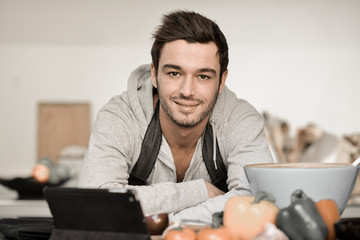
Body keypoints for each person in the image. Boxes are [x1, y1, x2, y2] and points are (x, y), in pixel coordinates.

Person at [79, 10, 273, 222]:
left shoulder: (240, 120)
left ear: (222, 80)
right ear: (154, 74)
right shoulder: (120, 116)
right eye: (174, 73)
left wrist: (166, 223)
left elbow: (256, 199)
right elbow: (94, 202)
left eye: (203, 76)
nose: (187, 91)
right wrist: (198, 192)